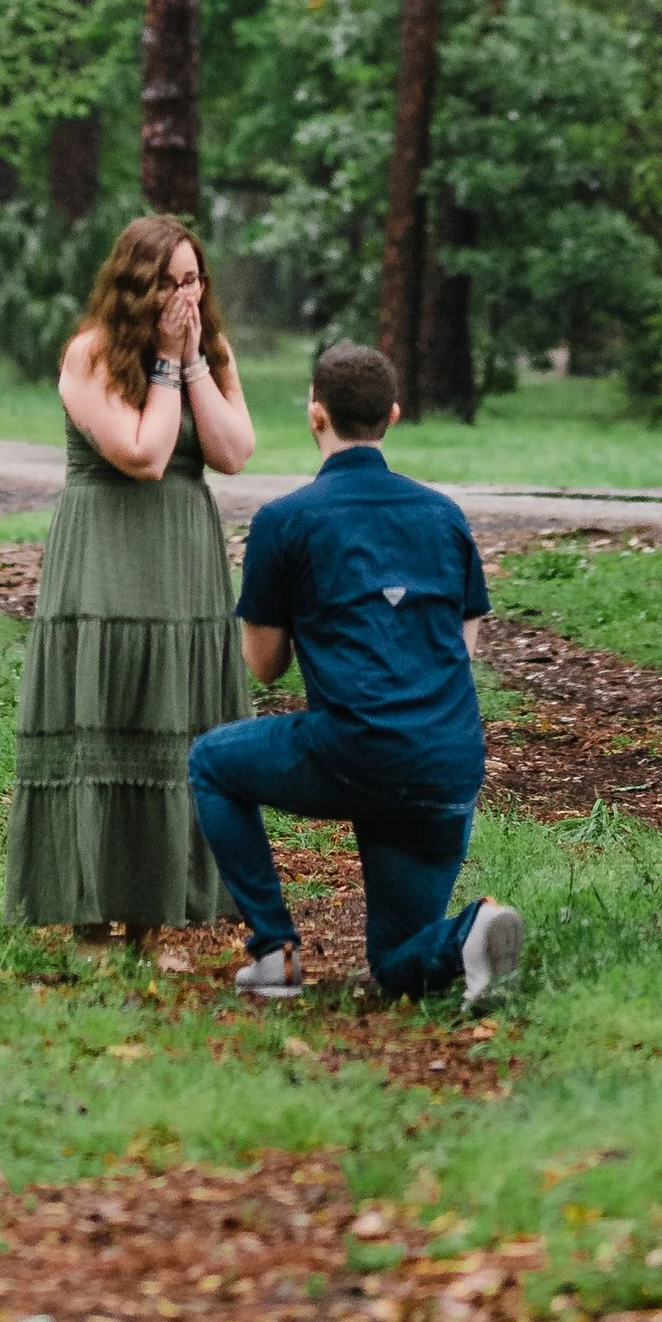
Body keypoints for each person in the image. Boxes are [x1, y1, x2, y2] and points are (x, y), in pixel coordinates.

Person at [188, 339, 523, 1008]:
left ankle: (274, 952)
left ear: (315, 414)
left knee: (212, 763)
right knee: (395, 962)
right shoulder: (444, 515)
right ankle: (471, 932)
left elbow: (265, 666)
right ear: (393, 415)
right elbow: (462, 644)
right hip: (447, 762)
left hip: (355, 751)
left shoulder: (284, 521)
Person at [6, 213, 257, 938]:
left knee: (175, 725)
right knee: (107, 712)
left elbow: (234, 452)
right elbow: (144, 454)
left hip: (183, 557)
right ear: (133, 285)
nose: (184, 297)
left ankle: (155, 918)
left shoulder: (210, 349)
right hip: (107, 555)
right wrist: (167, 365)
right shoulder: (91, 355)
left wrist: (195, 361)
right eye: (167, 283)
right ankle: (88, 919)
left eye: (193, 280)